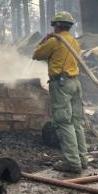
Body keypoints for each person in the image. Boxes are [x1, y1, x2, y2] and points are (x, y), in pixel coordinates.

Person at [32, 11, 87, 174]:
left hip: (61, 85)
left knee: (64, 122)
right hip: (75, 83)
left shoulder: (54, 41)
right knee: (76, 122)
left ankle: (72, 163)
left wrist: (45, 40)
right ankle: (82, 160)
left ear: (56, 25)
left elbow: (36, 55)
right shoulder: (74, 42)